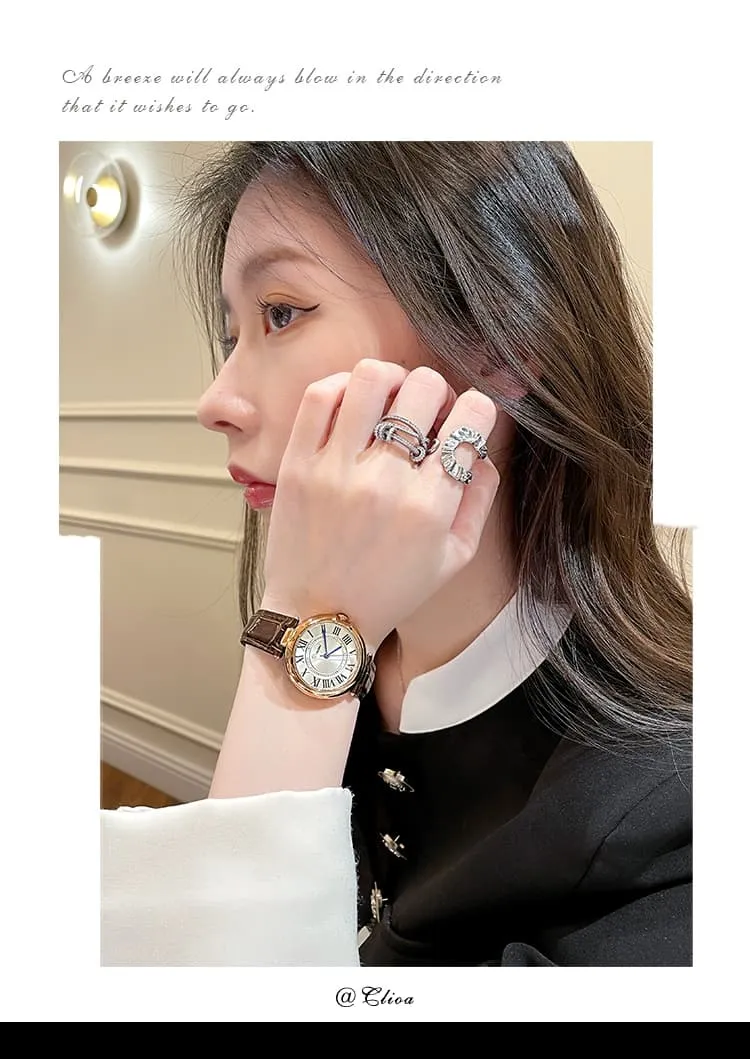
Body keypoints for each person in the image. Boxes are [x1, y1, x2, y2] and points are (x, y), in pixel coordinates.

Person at [100, 141, 692, 967]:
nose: (216, 400)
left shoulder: (671, 824)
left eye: (281, 313)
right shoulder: (358, 639)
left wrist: (306, 633)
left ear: (503, 338)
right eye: (232, 334)